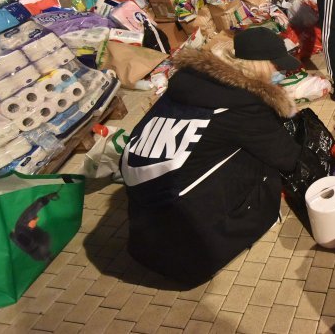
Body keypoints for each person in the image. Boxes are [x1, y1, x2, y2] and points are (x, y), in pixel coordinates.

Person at [121, 27, 301, 285]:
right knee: (259, 157)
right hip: (187, 247)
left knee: (233, 143)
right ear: (260, 67)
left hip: (146, 210)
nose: (281, 74)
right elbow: (287, 157)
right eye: (277, 67)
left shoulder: (192, 81)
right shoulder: (243, 105)